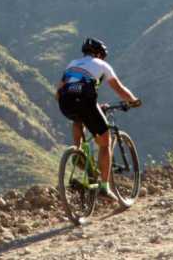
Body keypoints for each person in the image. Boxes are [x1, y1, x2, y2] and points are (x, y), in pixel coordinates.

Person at [56, 38, 139, 202]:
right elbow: (119, 89)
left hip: (65, 102)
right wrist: (133, 100)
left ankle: (77, 151)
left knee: (78, 118)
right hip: (85, 102)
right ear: (100, 54)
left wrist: (92, 106)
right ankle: (105, 187)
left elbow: (59, 90)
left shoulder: (72, 63)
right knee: (105, 142)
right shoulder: (102, 65)